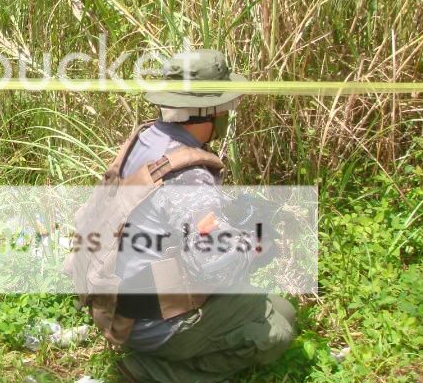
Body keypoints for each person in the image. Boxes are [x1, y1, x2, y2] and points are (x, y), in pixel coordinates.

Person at [65, 50, 297, 383]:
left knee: (280, 307)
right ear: (210, 111)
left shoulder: (147, 139)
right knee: (277, 328)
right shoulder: (189, 176)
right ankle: (151, 371)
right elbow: (216, 265)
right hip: (147, 323)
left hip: (113, 299)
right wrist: (256, 247)